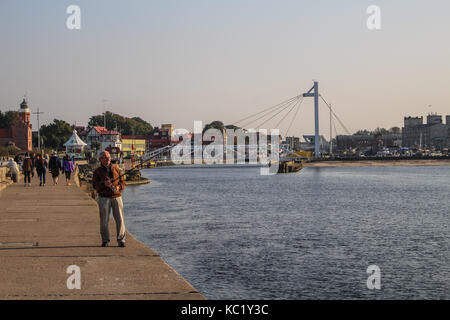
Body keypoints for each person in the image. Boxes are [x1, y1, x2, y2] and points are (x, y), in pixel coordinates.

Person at [92, 151, 127, 247]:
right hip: (104, 198)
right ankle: (105, 240)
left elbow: (123, 183)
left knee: (120, 219)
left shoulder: (116, 169)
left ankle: (121, 239)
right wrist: (104, 183)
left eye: (108, 157)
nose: (107, 159)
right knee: (104, 220)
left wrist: (118, 187)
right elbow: (95, 185)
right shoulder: (97, 171)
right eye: (104, 157)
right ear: (100, 159)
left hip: (117, 197)